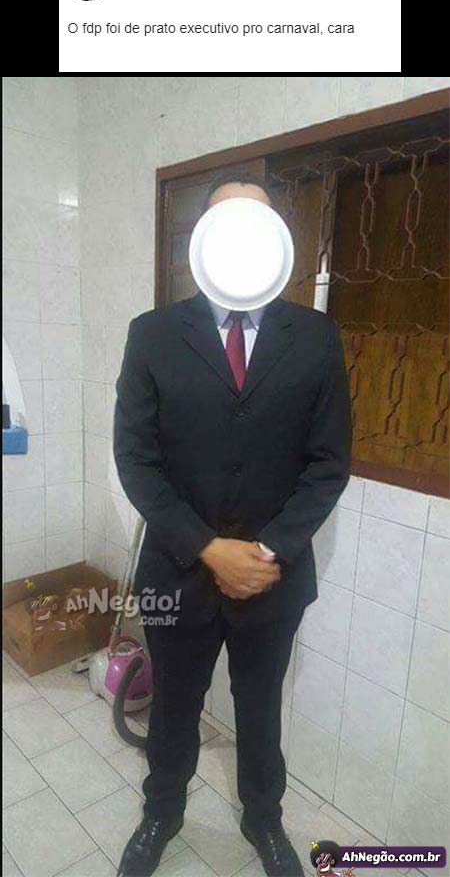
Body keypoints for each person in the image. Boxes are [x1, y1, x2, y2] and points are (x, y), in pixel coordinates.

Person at [113, 171, 353, 876]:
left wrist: (269, 550)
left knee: (259, 710)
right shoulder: (153, 335)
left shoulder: (315, 336)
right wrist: (209, 548)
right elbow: (136, 461)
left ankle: (264, 821)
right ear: (203, 238)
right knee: (173, 709)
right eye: (227, 223)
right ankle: (161, 813)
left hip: (273, 580)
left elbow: (328, 464)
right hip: (179, 571)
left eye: (257, 223)